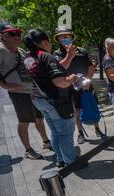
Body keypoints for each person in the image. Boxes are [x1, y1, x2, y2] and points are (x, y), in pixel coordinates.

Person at [0, 23, 51, 160]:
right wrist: (4, 85)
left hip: (32, 91)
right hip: (19, 92)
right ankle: (28, 150)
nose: (17, 36)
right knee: (24, 121)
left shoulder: (20, 51)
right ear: (2, 36)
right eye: (12, 34)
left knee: (39, 118)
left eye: (18, 33)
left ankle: (46, 142)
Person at [23, 29, 78, 168]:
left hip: (38, 100)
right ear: (45, 41)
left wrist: (69, 57)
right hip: (54, 100)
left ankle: (60, 158)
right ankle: (71, 161)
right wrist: (71, 79)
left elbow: (55, 69)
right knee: (65, 131)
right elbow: (60, 81)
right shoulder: (46, 56)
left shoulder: (29, 57)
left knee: (55, 131)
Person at [53, 27, 105, 145]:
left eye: (67, 36)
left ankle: (97, 129)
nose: (65, 38)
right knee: (77, 110)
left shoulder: (82, 51)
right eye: (62, 36)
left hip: (86, 85)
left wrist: (88, 81)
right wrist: (68, 55)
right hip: (70, 88)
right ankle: (81, 132)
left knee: (92, 106)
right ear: (58, 39)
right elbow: (58, 70)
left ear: (71, 37)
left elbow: (90, 67)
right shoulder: (57, 54)